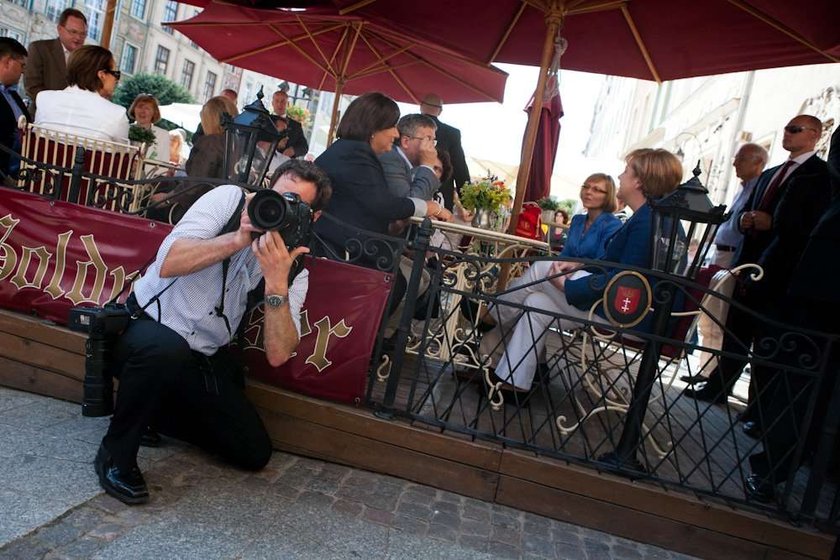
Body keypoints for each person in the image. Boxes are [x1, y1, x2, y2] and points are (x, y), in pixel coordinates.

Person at [93, 159, 333, 505]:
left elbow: (279, 353)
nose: (278, 210)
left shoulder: (294, 267)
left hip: (201, 356)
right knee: (165, 349)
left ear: (313, 217)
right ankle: (116, 454)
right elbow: (168, 262)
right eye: (276, 198)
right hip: (144, 332)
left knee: (252, 452)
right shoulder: (229, 201)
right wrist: (238, 238)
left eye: (294, 206)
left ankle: (151, 409)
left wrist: (276, 283)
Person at [478, 150, 682, 396]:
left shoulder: (646, 222)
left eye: (626, 171)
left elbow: (626, 281)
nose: (620, 175)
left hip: (632, 315)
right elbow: (614, 265)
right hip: (634, 310)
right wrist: (579, 266)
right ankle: (514, 382)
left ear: (638, 181)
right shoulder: (652, 216)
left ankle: (491, 314)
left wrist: (569, 287)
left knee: (544, 268)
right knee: (536, 302)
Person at [684, 115, 830, 410]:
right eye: (786, 128)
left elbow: (809, 224)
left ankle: (758, 409)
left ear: (814, 135)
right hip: (747, 264)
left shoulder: (821, 175)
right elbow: (745, 212)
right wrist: (745, 219)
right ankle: (717, 388)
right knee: (735, 331)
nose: (786, 134)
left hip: (781, 271)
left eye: (794, 129)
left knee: (767, 341)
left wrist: (773, 222)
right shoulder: (771, 174)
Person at [688, 143, 768, 384]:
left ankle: (713, 374)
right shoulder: (741, 189)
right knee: (709, 314)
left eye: (741, 159)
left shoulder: (759, 189)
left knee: (719, 317)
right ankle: (705, 369)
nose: (735, 163)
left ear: (757, 163)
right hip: (720, 255)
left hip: (733, 257)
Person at [34, 45, 128, 143]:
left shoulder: (44, 99)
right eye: (116, 74)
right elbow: (122, 155)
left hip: (43, 158)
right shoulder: (117, 114)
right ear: (102, 75)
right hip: (90, 158)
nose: (117, 80)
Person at [24, 8, 88, 118]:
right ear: (59, 29)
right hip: (43, 119)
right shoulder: (39, 49)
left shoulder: (87, 58)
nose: (78, 38)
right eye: (73, 32)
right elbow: (32, 87)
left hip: (75, 122)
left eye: (83, 34)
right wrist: (60, 109)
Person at [420, 93, 469, 210]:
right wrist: (467, 201)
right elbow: (459, 167)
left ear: (421, 106)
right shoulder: (452, 133)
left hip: (410, 192)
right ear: (440, 111)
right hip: (441, 196)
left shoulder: (407, 125)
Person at [379, 113, 440, 200]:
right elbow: (411, 203)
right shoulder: (391, 159)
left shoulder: (414, 167)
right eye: (427, 139)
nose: (432, 147)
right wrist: (427, 166)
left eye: (433, 141)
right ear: (406, 142)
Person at [185, 95, 238, 180]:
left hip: (202, 191)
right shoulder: (238, 144)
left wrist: (172, 192)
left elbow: (196, 184)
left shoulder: (211, 143)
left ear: (209, 120)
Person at [0, 38, 29, 182]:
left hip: (18, 172)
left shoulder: (13, 95)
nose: (23, 71)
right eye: (22, 65)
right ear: (7, 62)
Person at [128, 93, 170, 162]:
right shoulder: (125, 129)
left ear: (154, 112)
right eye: (140, 107)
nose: (142, 111)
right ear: (134, 109)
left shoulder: (163, 135)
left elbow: (164, 164)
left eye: (147, 108)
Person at [271, 89, 308, 158]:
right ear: (272, 103)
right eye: (277, 101)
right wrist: (274, 145)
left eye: (283, 101)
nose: (279, 104)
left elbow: (304, 147)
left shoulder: (296, 126)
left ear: (287, 104)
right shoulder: (264, 120)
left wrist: (293, 150)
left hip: (286, 165)